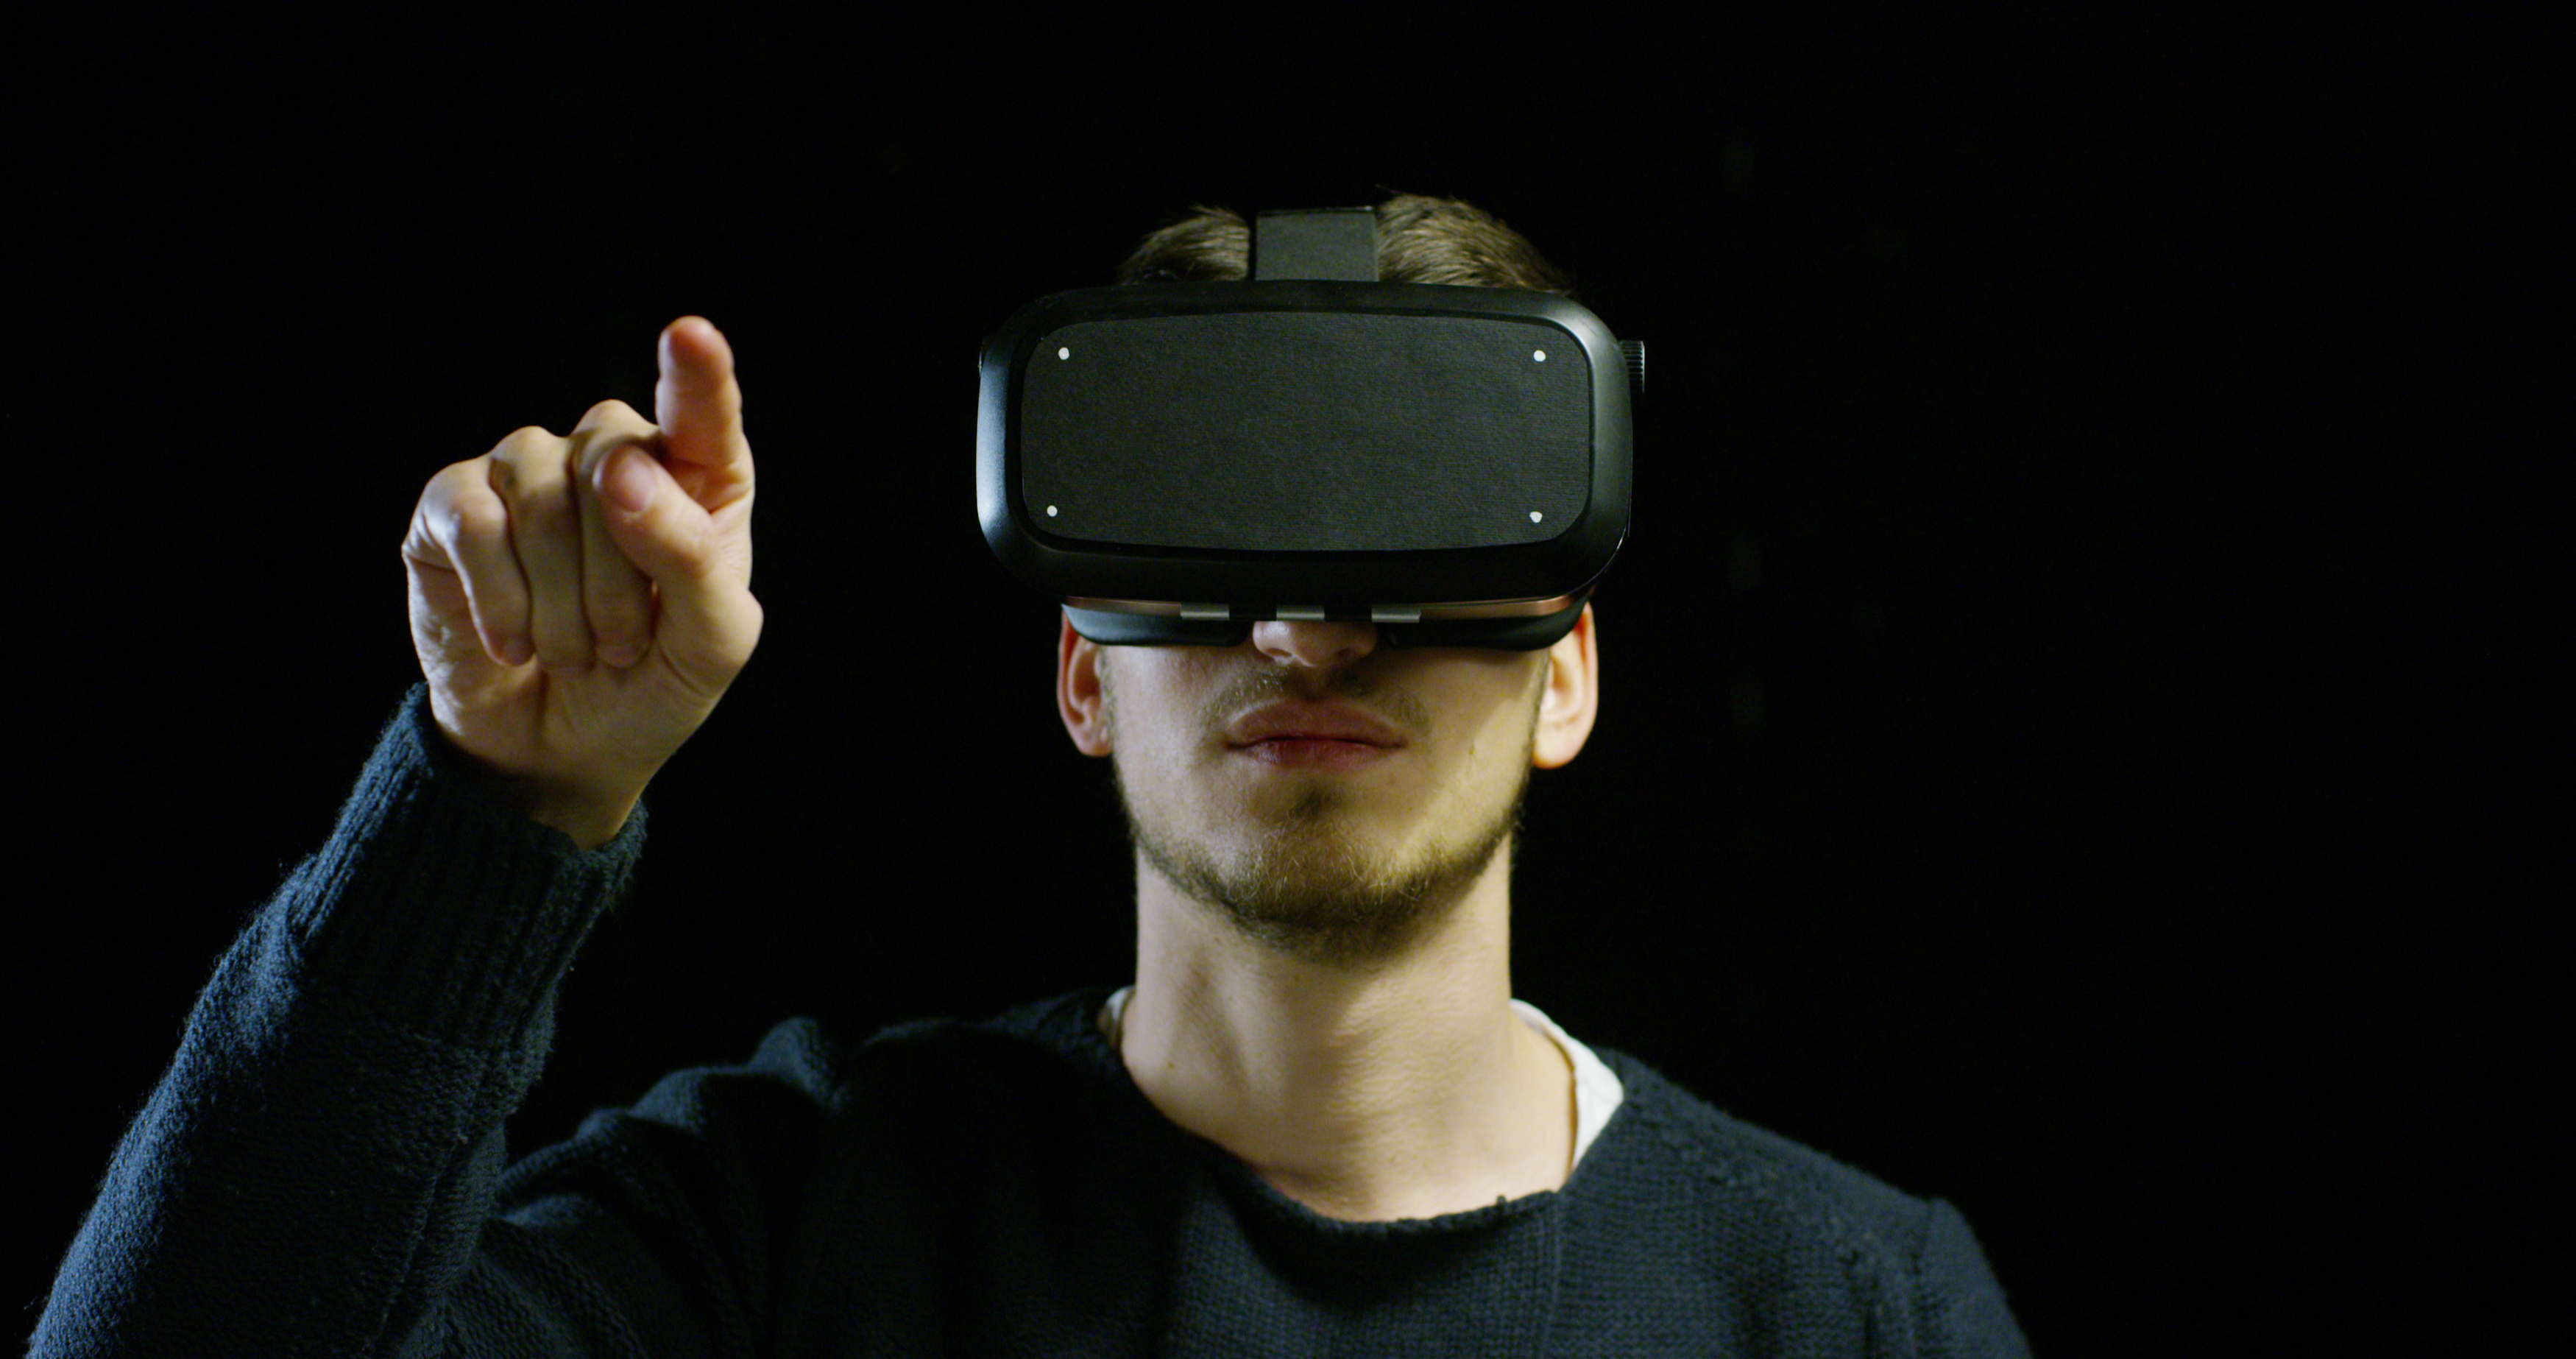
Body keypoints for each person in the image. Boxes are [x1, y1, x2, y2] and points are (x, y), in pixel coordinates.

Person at [35, 196, 2032, 1356]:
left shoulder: (1860, 1306)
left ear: (1568, 673)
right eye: (1214, 549)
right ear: (1081, 676)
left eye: (1411, 549)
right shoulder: (778, 1223)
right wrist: (489, 809)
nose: (1307, 632)